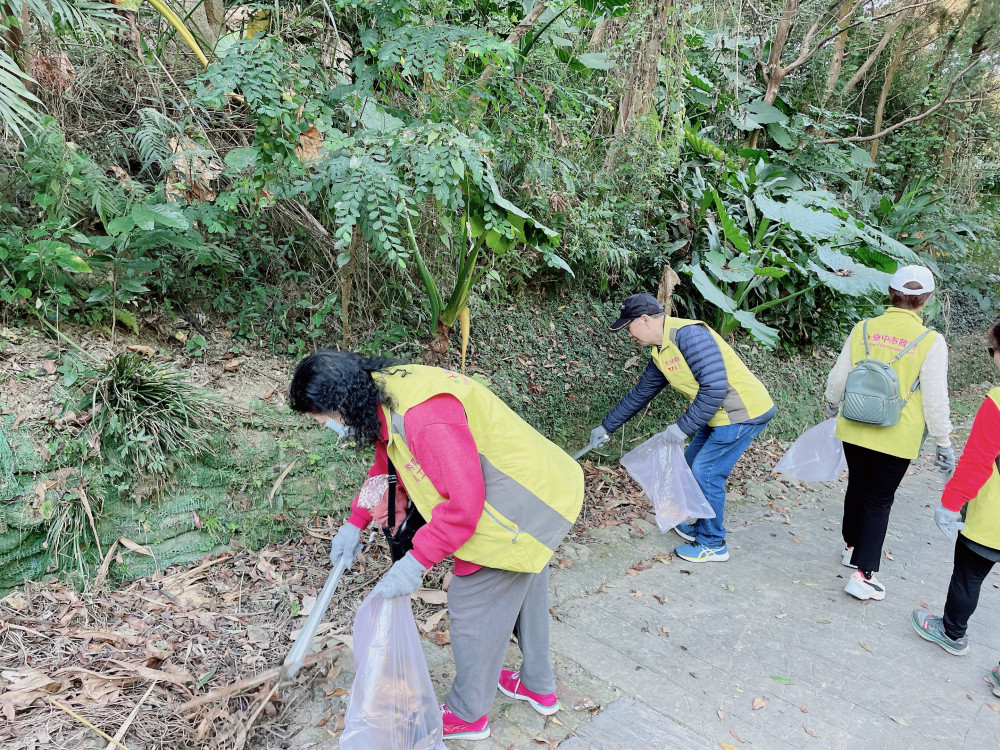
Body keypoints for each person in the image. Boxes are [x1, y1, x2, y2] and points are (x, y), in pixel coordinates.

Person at [289, 351, 584, 741]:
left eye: (325, 419)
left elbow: (463, 506)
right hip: (539, 488)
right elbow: (386, 460)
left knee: (473, 604)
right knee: (525, 584)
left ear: (343, 403)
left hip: (518, 506)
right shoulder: (385, 391)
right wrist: (355, 521)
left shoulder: (423, 417)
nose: (329, 427)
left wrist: (415, 563)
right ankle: (538, 685)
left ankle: (468, 714)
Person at [590, 293, 775, 563]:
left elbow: (715, 387)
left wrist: (683, 427)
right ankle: (702, 528)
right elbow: (642, 393)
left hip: (743, 412)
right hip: (717, 415)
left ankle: (713, 543)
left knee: (706, 472)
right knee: (690, 465)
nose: (628, 333)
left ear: (644, 320)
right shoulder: (661, 350)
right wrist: (606, 426)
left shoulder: (689, 336)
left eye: (628, 326)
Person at [824, 265, 954, 601]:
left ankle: (852, 546)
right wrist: (943, 440)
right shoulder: (931, 341)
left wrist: (831, 404)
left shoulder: (864, 328)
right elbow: (936, 398)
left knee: (858, 485)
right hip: (897, 434)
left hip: (854, 425)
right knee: (879, 500)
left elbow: (839, 377)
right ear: (925, 299)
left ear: (890, 293)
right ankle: (863, 574)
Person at [911, 319, 1000, 698]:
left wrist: (949, 503)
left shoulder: (997, 401)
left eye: (992, 351)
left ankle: (951, 633)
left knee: (968, 577)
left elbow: (979, 460)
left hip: (991, 518)